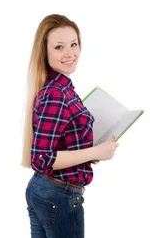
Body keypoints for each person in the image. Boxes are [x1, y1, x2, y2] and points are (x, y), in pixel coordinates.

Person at [21, 14, 119, 237]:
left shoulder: (62, 87)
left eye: (74, 44)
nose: (69, 53)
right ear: (44, 51)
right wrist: (96, 152)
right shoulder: (56, 93)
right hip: (58, 194)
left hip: (45, 190)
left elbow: (61, 144)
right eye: (59, 47)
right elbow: (41, 158)